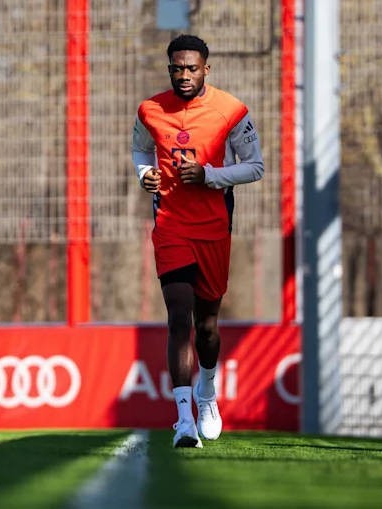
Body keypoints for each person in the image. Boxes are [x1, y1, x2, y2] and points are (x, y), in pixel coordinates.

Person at [131, 34, 264, 448]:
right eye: (177, 68)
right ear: (169, 69)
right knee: (179, 318)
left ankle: (207, 392)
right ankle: (184, 420)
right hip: (171, 226)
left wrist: (210, 175)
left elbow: (255, 167)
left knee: (206, 327)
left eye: (191, 68)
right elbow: (140, 150)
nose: (184, 75)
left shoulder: (231, 110)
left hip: (213, 228)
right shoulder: (150, 110)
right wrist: (144, 175)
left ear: (206, 68)